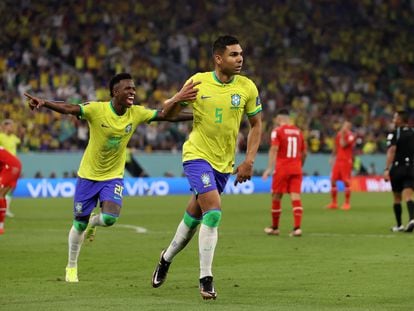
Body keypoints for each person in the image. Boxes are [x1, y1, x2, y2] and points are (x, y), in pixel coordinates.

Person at [24, 72, 199, 282]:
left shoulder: (136, 113)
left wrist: (197, 115)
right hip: (88, 175)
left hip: (113, 176)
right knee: (78, 224)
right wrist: (44, 103)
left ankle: (93, 222)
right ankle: (71, 266)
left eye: (134, 89)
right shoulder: (97, 110)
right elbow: (70, 108)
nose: (133, 92)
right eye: (128, 88)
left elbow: (165, 115)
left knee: (109, 219)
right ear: (115, 92)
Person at [151, 35, 262, 300]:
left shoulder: (247, 87)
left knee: (193, 220)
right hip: (197, 155)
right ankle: (206, 279)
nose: (240, 59)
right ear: (218, 58)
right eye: (234, 54)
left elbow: (256, 125)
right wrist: (177, 97)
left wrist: (249, 160)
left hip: (224, 163)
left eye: (241, 54)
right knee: (213, 212)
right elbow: (166, 115)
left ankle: (165, 258)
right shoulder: (198, 81)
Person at [262, 109, 307, 237]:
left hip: (282, 168)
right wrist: (299, 165)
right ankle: (297, 228)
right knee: (295, 196)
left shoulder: (277, 131)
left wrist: (269, 168)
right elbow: (304, 153)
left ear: (279, 118)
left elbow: (274, 149)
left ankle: (275, 227)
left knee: (276, 196)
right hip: (296, 168)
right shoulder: (298, 132)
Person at [384, 110, 414, 232]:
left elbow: (392, 150)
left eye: (395, 117)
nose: (393, 119)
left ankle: (399, 225)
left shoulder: (395, 133)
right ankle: (412, 219)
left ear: (400, 120)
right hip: (412, 167)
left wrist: (386, 169)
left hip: (398, 168)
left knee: (397, 197)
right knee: (408, 195)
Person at [326, 120, 355, 210]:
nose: (344, 127)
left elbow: (343, 144)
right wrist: (332, 157)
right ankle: (334, 203)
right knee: (333, 180)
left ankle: (347, 203)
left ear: (349, 127)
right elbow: (337, 146)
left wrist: (342, 135)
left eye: (346, 126)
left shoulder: (351, 136)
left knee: (346, 181)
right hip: (338, 160)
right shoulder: (339, 135)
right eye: (344, 125)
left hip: (346, 161)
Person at [0, 119, 21, 218]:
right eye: (10, 126)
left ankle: (6, 208)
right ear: (4, 127)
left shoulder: (14, 138)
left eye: (12, 126)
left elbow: (20, 140)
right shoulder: (1, 136)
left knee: (12, 187)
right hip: (4, 165)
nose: (12, 128)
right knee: (3, 188)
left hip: (14, 166)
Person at [0, 147, 22, 234]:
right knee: (2, 195)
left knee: (0, 194)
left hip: (10, 167)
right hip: (14, 165)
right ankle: (1, 226)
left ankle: (0, 227)